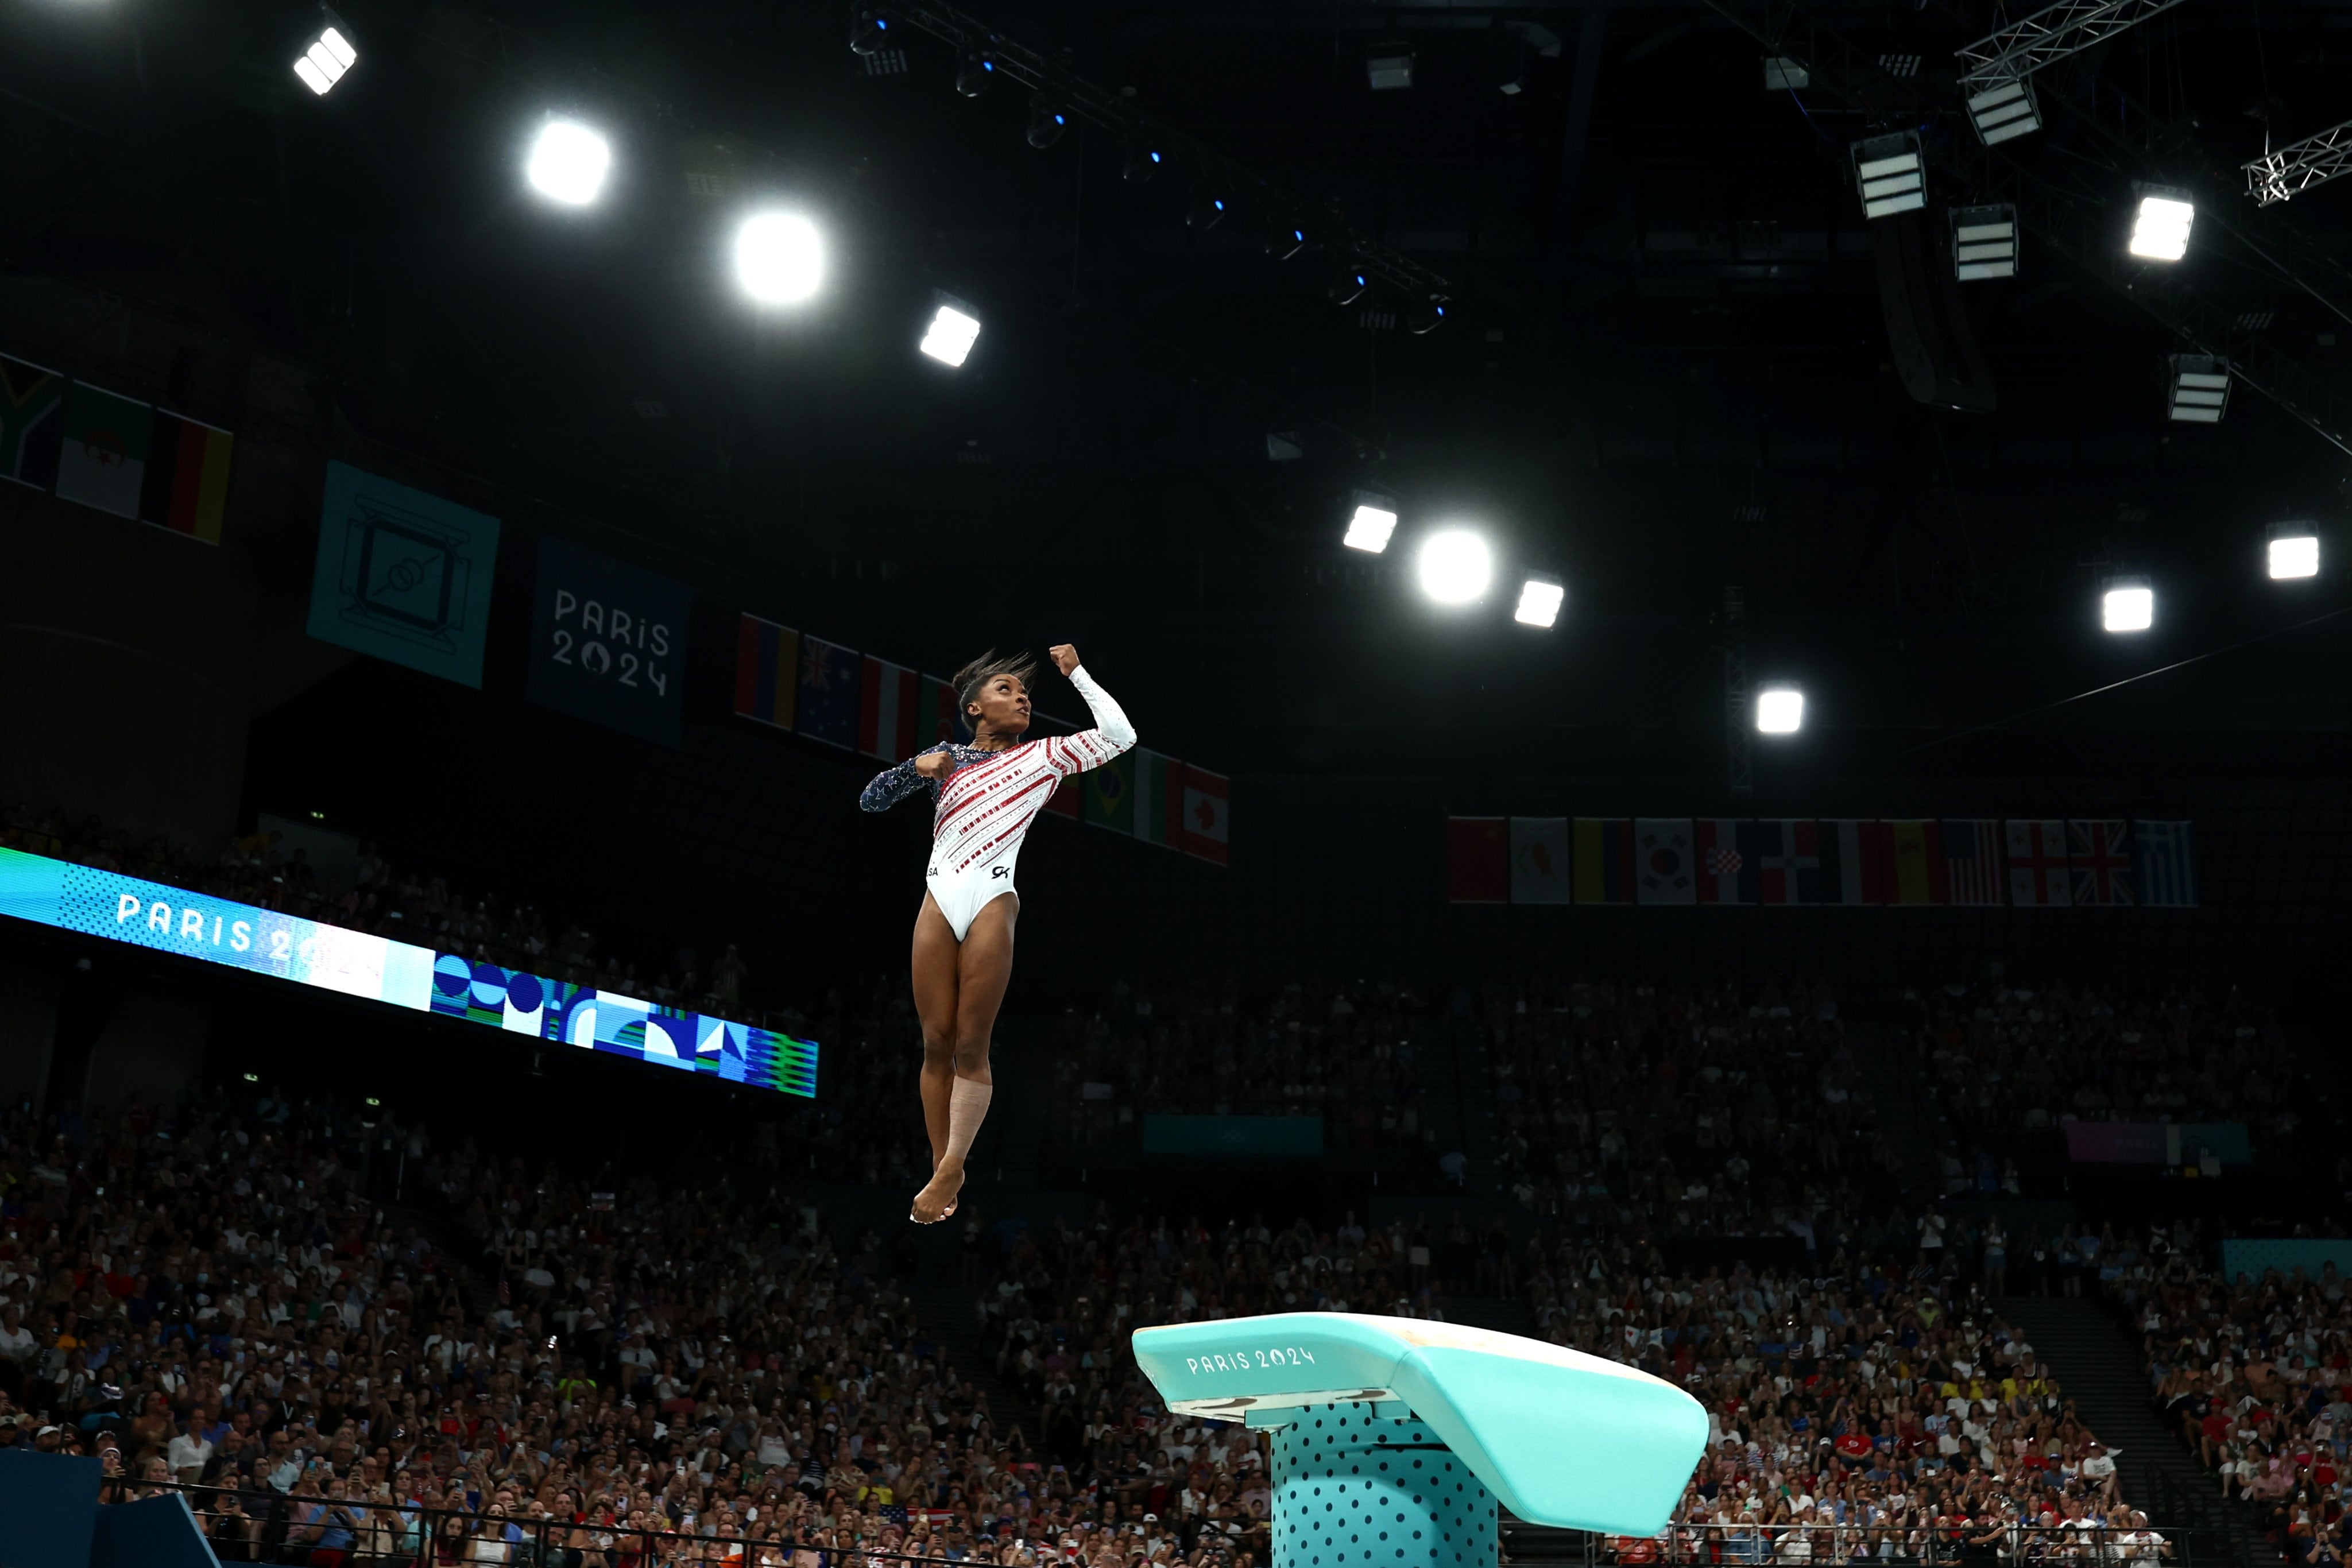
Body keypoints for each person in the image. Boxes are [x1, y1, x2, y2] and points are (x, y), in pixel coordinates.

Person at [859, 644, 1135, 1224]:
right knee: (934, 1042)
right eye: (1006, 689)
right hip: (938, 895)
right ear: (974, 708)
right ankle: (945, 1171)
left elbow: (1120, 735)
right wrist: (914, 768)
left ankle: (955, 1161)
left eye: (1024, 691)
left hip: (991, 896)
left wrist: (1078, 674)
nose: (1023, 697)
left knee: (968, 1044)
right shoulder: (947, 757)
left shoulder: (1045, 757)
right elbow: (870, 801)